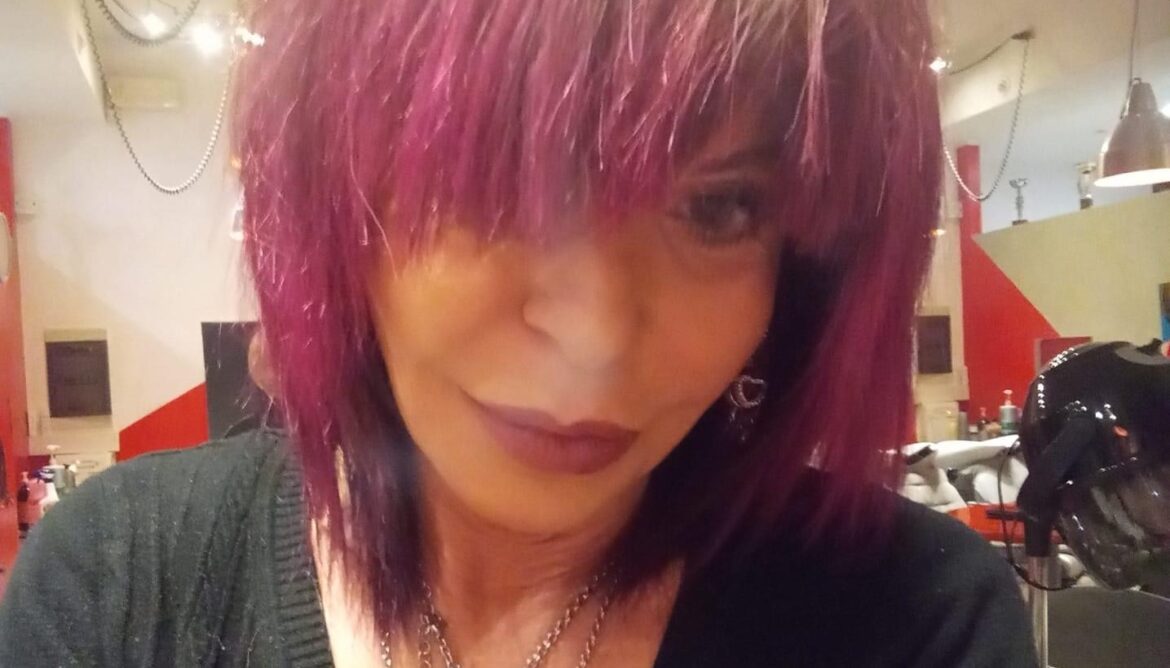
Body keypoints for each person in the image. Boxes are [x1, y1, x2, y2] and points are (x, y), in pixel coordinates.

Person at [0, 0, 1037, 665]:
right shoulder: (121, 583)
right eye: (496, 184)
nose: (594, 334)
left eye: (719, 208)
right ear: (339, 199)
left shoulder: (910, 621)